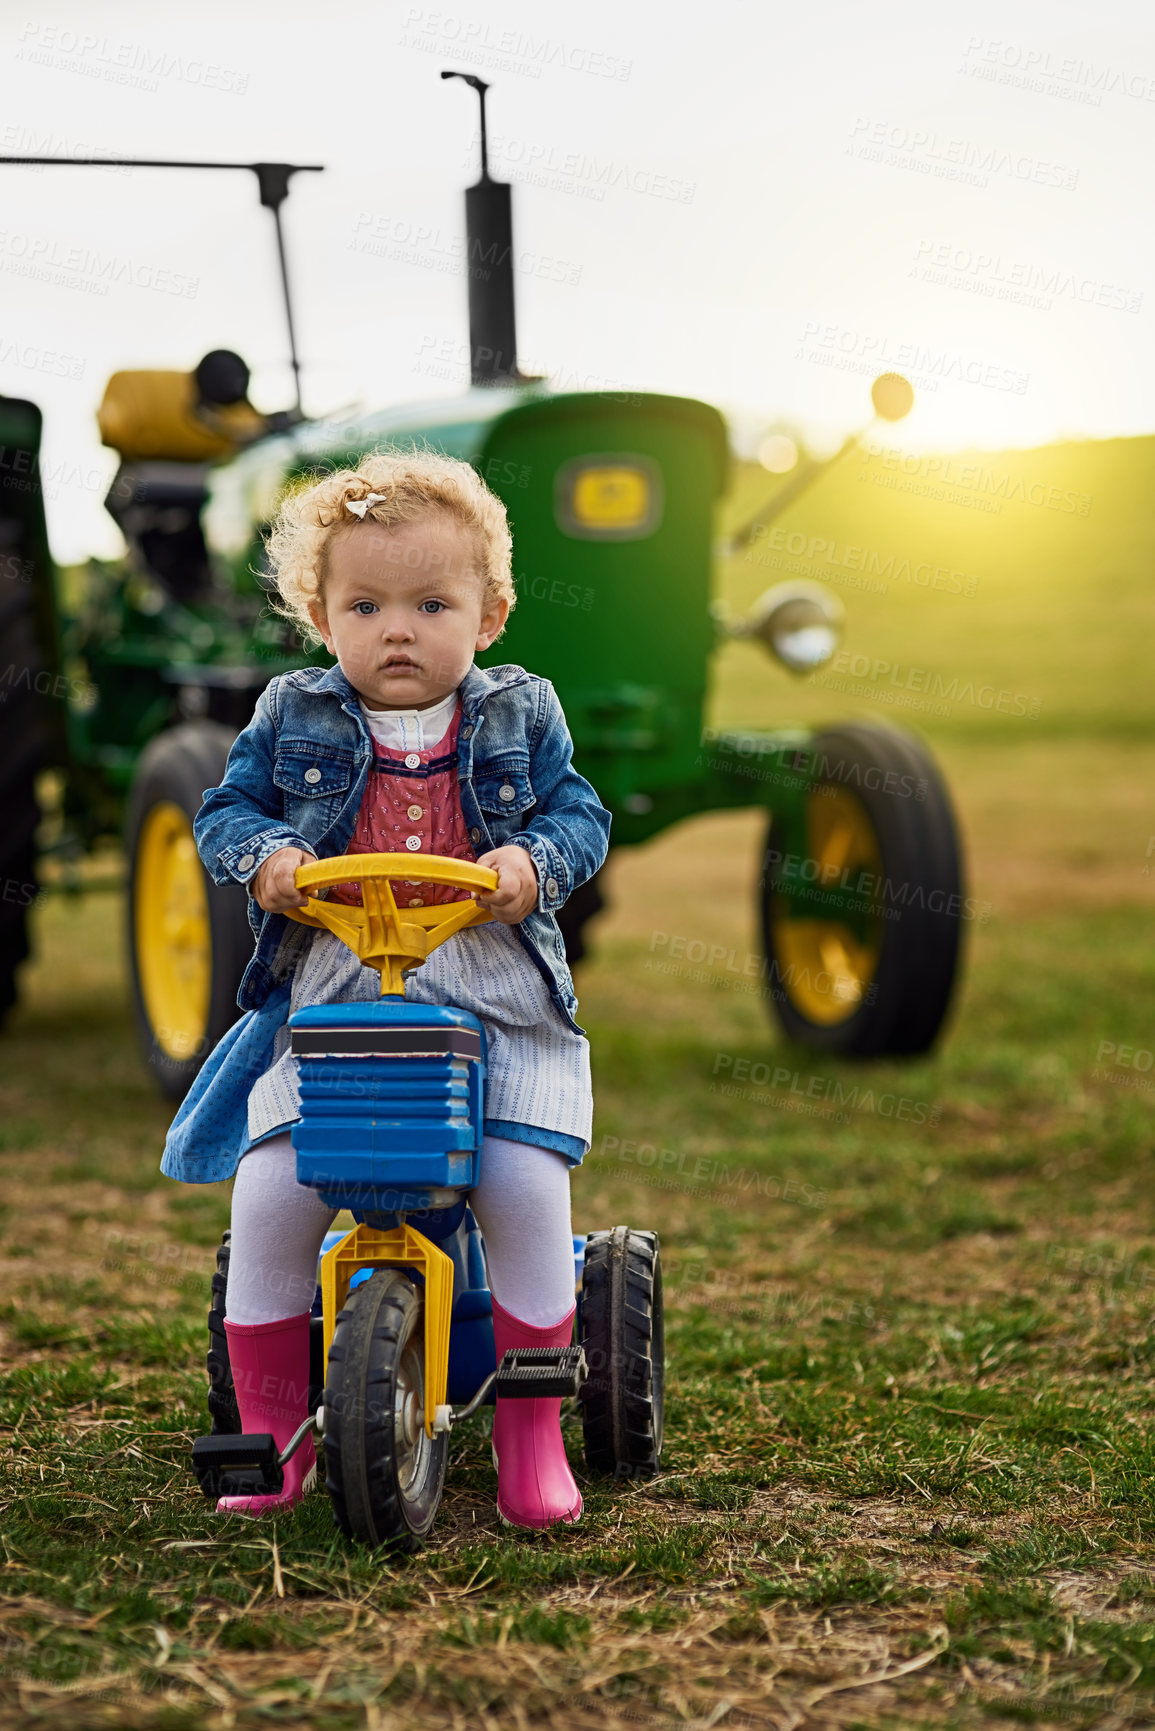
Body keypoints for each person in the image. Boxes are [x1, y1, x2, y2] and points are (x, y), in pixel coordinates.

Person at [161, 450, 611, 1529]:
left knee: (523, 1190)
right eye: (365, 605)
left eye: (429, 603)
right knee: (273, 1193)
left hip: (493, 997)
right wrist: (264, 854)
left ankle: (530, 1436)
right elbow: (224, 811)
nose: (396, 630)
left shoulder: (523, 711)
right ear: (321, 616)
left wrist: (531, 867)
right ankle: (271, 1436)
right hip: (332, 993)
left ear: (489, 614)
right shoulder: (291, 710)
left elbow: (579, 817)